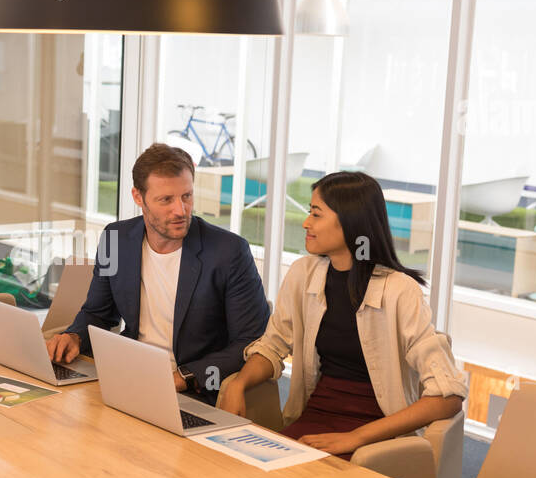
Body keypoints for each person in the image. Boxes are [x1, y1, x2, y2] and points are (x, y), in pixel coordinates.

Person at [219, 170, 467, 456]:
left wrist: (356, 437)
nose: (305, 222)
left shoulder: (401, 291)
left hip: (378, 436)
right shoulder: (303, 273)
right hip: (315, 419)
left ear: (350, 221)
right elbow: (272, 345)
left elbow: (448, 396)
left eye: (316, 214)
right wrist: (238, 384)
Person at [47, 143, 270, 403]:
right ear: (138, 197)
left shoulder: (229, 252)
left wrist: (185, 377)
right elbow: (98, 313)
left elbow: (252, 341)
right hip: (127, 376)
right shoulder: (114, 239)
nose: (180, 210)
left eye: (186, 196)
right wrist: (74, 336)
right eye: (166, 200)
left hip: (194, 391)